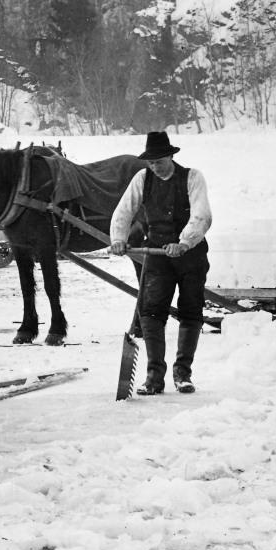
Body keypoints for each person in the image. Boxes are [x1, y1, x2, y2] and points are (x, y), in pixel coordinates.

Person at [109, 130, 213, 395]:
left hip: (190, 257)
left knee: (191, 312)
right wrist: (119, 238)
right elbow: (124, 210)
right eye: (151, 162)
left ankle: (183, 374)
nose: (155, 166)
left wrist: (184, 242)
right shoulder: (142, 179)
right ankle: (154, 377)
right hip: (157, 257)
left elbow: (202, 215)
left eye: (159, 161)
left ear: (170, 155)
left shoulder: (192, 177)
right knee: (151, 313)